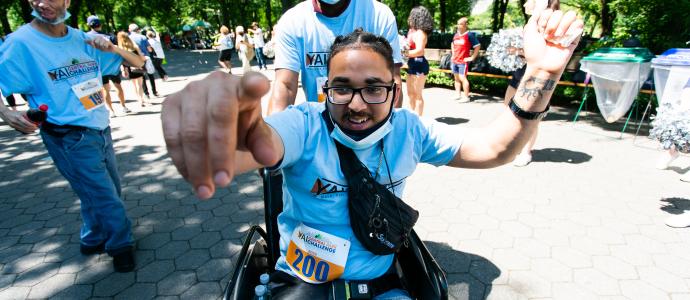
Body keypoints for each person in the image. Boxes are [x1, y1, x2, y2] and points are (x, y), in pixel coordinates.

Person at [161, 8, 583, 297]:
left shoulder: (409, 131)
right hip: (301, 282)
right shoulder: (305, 123)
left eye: (374, 89)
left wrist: (543, 71)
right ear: (325, 89)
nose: (357, 104)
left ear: (395, 91)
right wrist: (225, 131)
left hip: (381, 285)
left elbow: (494, 148)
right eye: (342, 87)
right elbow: (259, 145)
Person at [0, 0, 144, 272]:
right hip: (67, 137)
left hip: (101, 129)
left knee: (102, 189)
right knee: (105, 195)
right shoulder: (21, 42)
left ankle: (92, 237)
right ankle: (120, 245)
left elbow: (138, 62)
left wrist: (112, 47)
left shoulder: (83, 39)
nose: (42, 3)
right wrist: (5, 112)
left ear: (67, 1)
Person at [267, 0, 403, 114]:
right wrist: (272, 132)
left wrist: (387, 132)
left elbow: (393, 79)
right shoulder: (293, 21)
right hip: (320, 125)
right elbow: (285, 85)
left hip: (371, 122)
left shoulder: (378, 15)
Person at [503, 0, 560, 167]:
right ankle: (513, 146)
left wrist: (520, 51)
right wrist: (518, 51)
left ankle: (526, 151)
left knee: (530, 117)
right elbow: (532, 51)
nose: (526, 2)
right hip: (522, 71)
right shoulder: (533, 21)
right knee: (509, 109)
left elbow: (544, 52)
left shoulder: (547, 21)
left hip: (538, 76)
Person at [86, 15, 130, 115]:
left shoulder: (86, 37)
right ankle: (123, 106)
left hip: (99, 69)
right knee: (118, 87)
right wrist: (125, 67)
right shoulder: (110, 36)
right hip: (114, 67)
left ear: (89, 25)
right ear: (100, 24)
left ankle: (111, 110)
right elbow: (120, 53)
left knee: (105, 90)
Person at [404, 6, 433, 116]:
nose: (409, 18)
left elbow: (420, 51)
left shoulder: (420, 33)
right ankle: (412, 116)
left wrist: (403, 54)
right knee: (410, 93)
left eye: (411, 15)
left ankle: (418, 120)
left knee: (417, 95)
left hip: (419, 64)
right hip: (411, 64)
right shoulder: (412, 31)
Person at [451, 17, 481, 103]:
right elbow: (452, 44)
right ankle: (458, 95)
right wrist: (453, 54)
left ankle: (466, 97)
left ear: (466, 25)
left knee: (462, 78)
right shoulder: (456, 35)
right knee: (456, 78)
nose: (458, 26)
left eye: (460, 24)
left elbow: (478, 46)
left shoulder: (469, 35)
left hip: (463, 62)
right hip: (455, 61)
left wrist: (472, 57)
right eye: (458, 23)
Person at [117, 31, 148, 107]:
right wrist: (145, 59)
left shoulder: (121, 50)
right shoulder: (135, 47)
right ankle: (141, 99)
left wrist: (123, 70)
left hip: (129, 69)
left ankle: (139, 99)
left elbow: (120, 61)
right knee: (140, 85)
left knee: (134, 85)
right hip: (138, 67)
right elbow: (142, 57)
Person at [128, 23, 158, 98]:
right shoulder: (143, 37)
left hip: (136, 59)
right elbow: (149, 49)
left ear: (129, 30)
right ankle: (154, 91)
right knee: (150, 74)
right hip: (146, 58)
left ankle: (146, 93)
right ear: (138, 29)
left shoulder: (128, 38)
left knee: (141, 76)